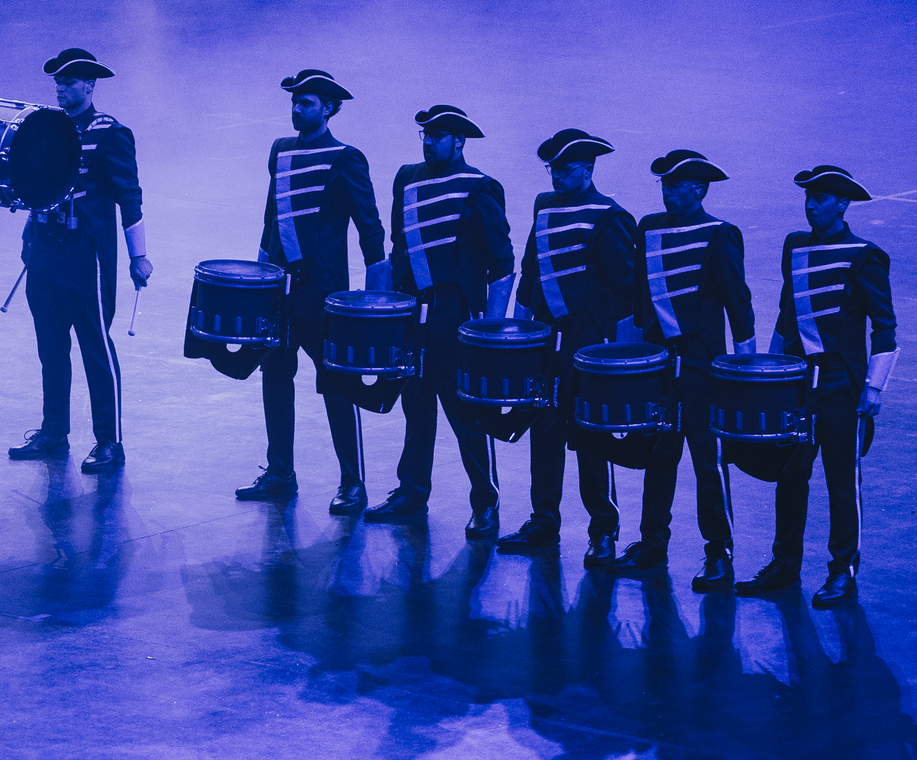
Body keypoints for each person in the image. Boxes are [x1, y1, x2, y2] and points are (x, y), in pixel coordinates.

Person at [742, 165, 895, 607]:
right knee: (790, 477)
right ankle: (784, 565)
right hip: (796, 384)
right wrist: (767, 376)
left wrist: (875, 388)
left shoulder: (866, 255)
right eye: (807, 198)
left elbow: (885, 328)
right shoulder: (794, 246)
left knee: (841, 481)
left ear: (842, 204)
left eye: (821, 198)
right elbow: (786, 313)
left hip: (840, 386)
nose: (811, 205)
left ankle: (843, 571)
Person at [238, 70, 389, 515]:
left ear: (329, 108)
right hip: (280, 291)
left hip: (323, 294)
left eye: (307, 103)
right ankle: (280, 472)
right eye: (294, 102)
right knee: (274, 378)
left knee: (338, 386)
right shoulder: (280, 151)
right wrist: (261, 280)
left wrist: (374, 300)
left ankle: (353, 483)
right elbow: (271, 218)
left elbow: (370, 226)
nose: (297, 109)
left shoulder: (346, 157)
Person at [365, 105, 514, 535]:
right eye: (425, 135)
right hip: (413, 310)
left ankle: (485, 500)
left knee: (466, 410)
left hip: (455, 313)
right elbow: (398, 248)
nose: (429, 142)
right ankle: (412, 490)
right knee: (415, 402)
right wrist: (389, 308)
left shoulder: (479, 187)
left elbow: (502, 263)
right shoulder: (406, 178)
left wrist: (490, 332)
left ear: (459, 142)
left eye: (438, 136)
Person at [501, 129, 643, 563]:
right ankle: (544, 519)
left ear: (588, 168)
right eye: (552, 169)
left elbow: (626, 294)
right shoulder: (544, 206)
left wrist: (618, 362)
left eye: (564, 169)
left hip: (589, 346)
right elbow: (530, 273)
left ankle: (603, 529)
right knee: (543, 431)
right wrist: (517, 336)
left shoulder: (610, 216)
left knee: (591, 437)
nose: (556, 176)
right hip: (547, 343)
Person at [618, 150, 758, 586]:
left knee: (707, 462)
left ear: (699, 189)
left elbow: (740, 305)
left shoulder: (720, 234)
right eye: (664, 184)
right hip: (661, 367)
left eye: (677, 185)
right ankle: (651, 544)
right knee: (658, 455)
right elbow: (640, 302)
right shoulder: (649, 228)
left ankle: (720, 553)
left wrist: (743, 376)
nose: (667, 192)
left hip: (704, 369)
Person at [7, 49, 149, 475]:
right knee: (51, 348)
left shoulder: (110, 133)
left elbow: (130, 195)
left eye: (71, 82)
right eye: (59, 82)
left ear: (90, 86)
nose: (62, 88)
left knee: (95, 349)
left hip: (87, 257)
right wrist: (28, 240)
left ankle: (110, 441)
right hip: (46, 254)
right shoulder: (45, 129)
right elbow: (32, 187)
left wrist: (138, 254)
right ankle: (54, 433)